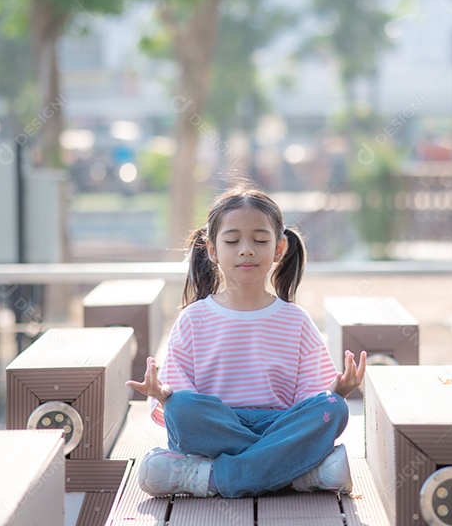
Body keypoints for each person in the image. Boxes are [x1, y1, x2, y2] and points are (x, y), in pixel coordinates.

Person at [125, 181, 367, 499]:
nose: (246, 250)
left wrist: (338, 391)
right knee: (182, 409)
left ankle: (209, 478)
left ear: (279, 248)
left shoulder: (296, 321)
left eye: (259, 239)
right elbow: (182, 403)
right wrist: (164, 394)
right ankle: (297, 472)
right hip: (217, 428)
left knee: (333, 409)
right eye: (232, 240)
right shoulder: (193, 319)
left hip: (278, 425)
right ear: (211, 249)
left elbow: (310, 401)